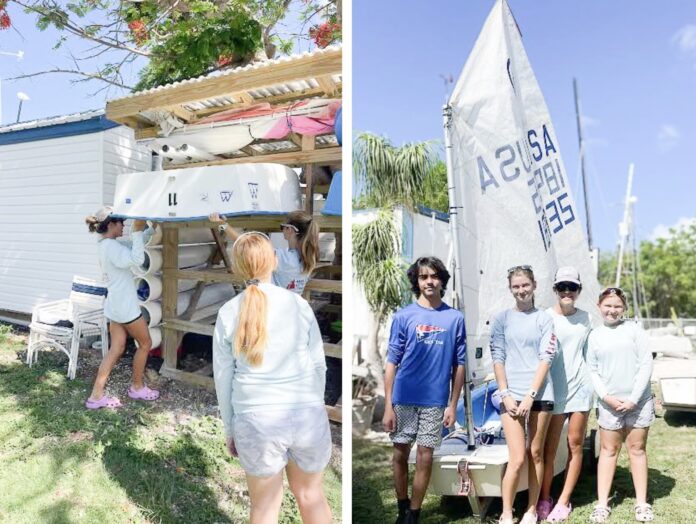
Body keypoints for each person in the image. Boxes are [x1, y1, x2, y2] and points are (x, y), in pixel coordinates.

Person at [213, 232, 332, 524]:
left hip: (255, 419)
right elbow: (319, 364)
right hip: (307, 414)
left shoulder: (228, 312)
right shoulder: (298, 305)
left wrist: (230, 428)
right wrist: (314, 405)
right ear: (274, 261)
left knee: (264, 509)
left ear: (237, 268)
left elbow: (223, 377)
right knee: (311, 497)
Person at [383, 256, 467, 524]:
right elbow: (392, 362)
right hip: (404, 397)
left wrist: (453, 405)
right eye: (423, 277)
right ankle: (402, 507)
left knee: (425, 456)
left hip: (435, 401)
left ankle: (414, 515)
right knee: (399, 454)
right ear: (416, 282)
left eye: (434, 276)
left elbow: (460, 364)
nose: (429, 281)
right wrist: (387, 406)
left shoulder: (454, 318)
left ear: (442, 280)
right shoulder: (403, 316)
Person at [491, 265, 557, 524]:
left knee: (536, 453)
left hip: (540, 395)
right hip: (510, 396)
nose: (521, 290)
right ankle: (507, 512)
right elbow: (498, 358)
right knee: (517, 457)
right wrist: (506, 394)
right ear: (510, 289)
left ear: (534, 286)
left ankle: (531, 510)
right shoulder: (501, 320)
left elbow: (546, 357)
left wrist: (531, 395)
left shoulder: (544, 319)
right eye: (516, 286)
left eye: (525, 285)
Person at [586, 287, 654, 523]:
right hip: (609, 404)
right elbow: (592, 370)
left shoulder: (635, 331)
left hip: (639, 402)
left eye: (617, 306)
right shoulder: (595, 335)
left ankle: (642, 503)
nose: (612, 310)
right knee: (608, 451)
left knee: (637, 450)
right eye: (608, 305)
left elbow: (646, 364)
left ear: (624, 308)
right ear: (599, 306)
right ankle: (602, 504)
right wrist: (606, 397)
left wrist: (634, 398)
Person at [84, 206, 159, 409]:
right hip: (125, 308)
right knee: (145, 343)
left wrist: (148, 231)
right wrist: (137, 231)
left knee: (115, 349)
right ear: (111, 224)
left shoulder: (106, 245)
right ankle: (137, 387)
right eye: (121, 223)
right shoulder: (113, 248)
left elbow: (134, 245)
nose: (124, 226)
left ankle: (96, 395)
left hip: (114, 306)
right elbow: (137, 258)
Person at [537, 267, 593, 522]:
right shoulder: (544, 317)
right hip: (553, 390)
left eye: (572, 287)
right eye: (562, 287)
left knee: (575, 445)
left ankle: (563, 501)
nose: (567, 291)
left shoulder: (587, 318)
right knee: (549, 450)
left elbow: (593, 355)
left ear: (579, 291)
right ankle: (544, 498)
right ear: (555, 290)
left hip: (581, 389)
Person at [210, 210, 319, 295]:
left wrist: (223, 225)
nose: (282, 230)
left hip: (274, 310)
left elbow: (247, 244)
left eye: (282, 227)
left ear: (290, 230)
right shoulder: (307, 258)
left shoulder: (286, 259)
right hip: (290, 311)